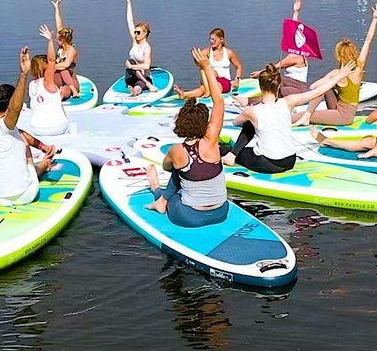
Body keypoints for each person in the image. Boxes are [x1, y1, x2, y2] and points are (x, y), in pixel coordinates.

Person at [143, 48, 229, 227]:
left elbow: (167, 167)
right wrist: (206, 66)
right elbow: (219, 101)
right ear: (204, 124)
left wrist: (158, 185)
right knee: (183, 168)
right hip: (222, 212)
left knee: (178, 169)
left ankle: (159, 197)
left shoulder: (177, 151)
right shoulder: (212, 141)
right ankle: (162, 197)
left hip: (190, 217)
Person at [222, 63, 349, 173]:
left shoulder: (251, 111)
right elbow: (316, 92)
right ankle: (232, 155)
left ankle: (231, 156)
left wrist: (250, 119)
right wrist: (339, 75)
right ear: (278, 87)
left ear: (260, 87)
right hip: (290, 160)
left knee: (229, 147)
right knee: (251, 125)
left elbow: (235, 123)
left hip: (269, 163)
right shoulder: (288, 101)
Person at [0, 46, 58, 207]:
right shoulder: (5, 125)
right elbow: (15, 109)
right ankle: (45, 164)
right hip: (24, 195)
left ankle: (43, 161)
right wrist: (24, 75)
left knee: (21, 138)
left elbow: (20, 132)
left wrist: (42, 145)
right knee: (25, 148)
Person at [300, 4, 377, 125]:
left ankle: (305, 116)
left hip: (343, 117)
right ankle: (306, 116)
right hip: (341, 111)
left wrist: (334, 79)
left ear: (338, 56)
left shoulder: (336, 73)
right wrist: (375, 19)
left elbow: (313, 87)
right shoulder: (358, 69)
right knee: (325, 87)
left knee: (300, 114)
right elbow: (368, 41)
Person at [251, 0, 312, 99]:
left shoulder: (296, 57)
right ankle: (254, 101)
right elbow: (295, 28)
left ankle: (259, 102)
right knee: (277, 81)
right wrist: (296, 12)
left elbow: (276, 66)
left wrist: (259, 73)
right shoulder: (295, 52)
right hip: (287, 81)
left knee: (279, 86)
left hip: (297, 88)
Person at [24, 24, 70, 136]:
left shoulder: (31, 85)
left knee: (59, 93)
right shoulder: (47, 82)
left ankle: (61, 93)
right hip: (56, 127)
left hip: (36, 128)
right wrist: (50, 41)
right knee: (64, 90)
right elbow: (51, 60)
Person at [174, 28, 243, 100]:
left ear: (221, 40)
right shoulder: (207, 51)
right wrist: (195, 58)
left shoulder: (229, 53)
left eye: (214, 40)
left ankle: (207, 91)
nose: (211, 41)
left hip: (224, 82)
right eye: (210, 39)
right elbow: (198, 62)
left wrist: (237, 79)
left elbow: (239, 66)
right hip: (209, 81)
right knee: (203, 68)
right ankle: (184, 94)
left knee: (211, 76)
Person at [123, 0, 157, 96]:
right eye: (135, 32)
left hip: (143, 76)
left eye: (138, 32)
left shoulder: (146, 47)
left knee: (139, 84)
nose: (136, 34)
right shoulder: (135, 42)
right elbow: (130, 21)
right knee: (131, 61)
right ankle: (138, 86)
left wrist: (131, 67)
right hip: (131, 75)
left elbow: (147, 65)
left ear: (145, 33)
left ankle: (136, 90)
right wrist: (128, 3)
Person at [51, 0, 80, 99]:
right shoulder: (60, 47)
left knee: (64, 71)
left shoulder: (72, 50)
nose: (55, 40)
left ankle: (71, 92)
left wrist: (51, 66)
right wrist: (57, 9)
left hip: (71, 80)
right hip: (58, 78)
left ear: (62, 40)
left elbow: (66, 64)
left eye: (57, 39)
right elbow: (59, 25)